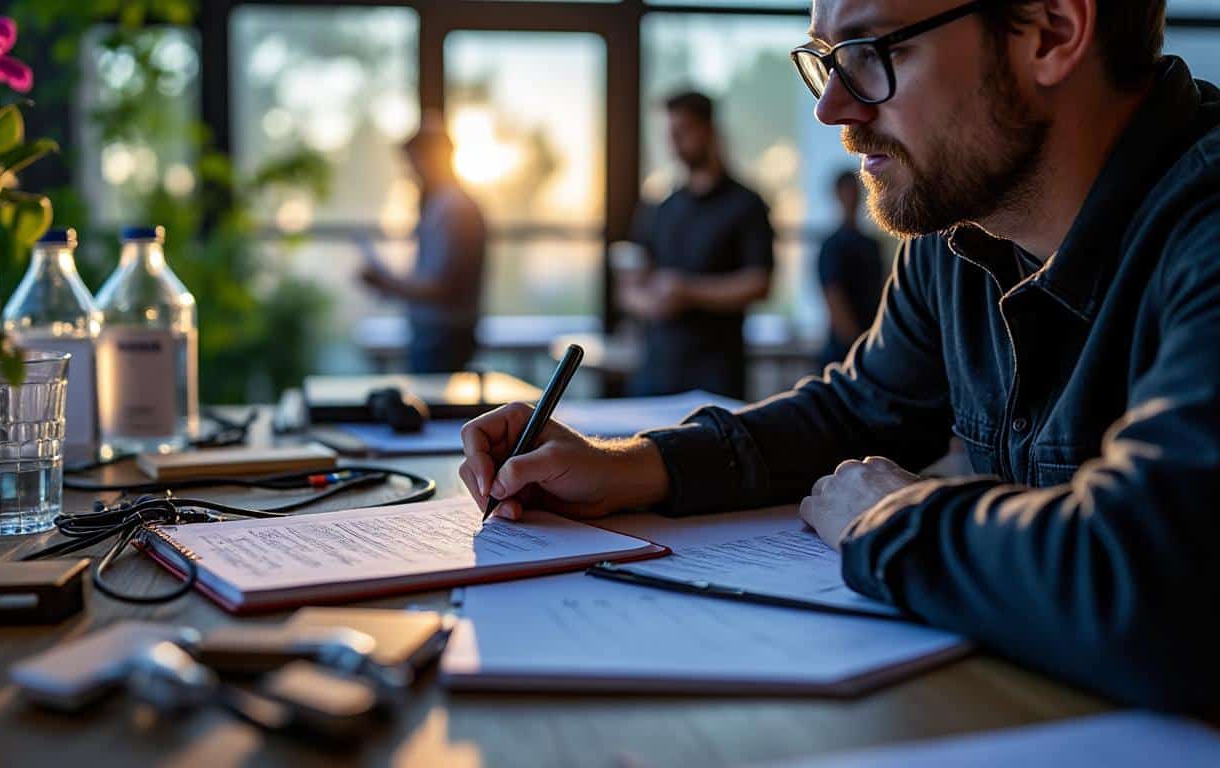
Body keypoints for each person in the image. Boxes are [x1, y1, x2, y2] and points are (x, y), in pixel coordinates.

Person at [459, 0, 1220, 712]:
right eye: (827, 57)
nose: (834, 107)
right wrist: (633, 466)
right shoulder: (962, 231)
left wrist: (892, 520)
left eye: (869, 50)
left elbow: (1160, 585)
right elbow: (860, 411)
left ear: (1051, 31)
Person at [620, 91, 774, 400]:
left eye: (683, 131)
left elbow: (759, 283)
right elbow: (628, 288)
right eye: (670, 134)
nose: (674, 142)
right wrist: (647, 301)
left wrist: (688, 290)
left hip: (715, 375)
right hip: (655, 373)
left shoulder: (745, 204)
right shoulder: (658, 207)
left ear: (708, 130)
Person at [357, 113, 487, 373]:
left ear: (432, 159)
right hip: (439, 335)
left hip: (443, 337)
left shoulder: (454, 210)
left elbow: (442, 287)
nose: (411, 172)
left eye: (414, 163)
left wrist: (386, 282)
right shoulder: (443, 206)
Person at [817, 170, 885, 366]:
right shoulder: (832, 246)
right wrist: (858, 346)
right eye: (847, 191)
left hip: (871, 340)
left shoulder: (871, 245)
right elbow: (834, 298)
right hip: (846, 350)